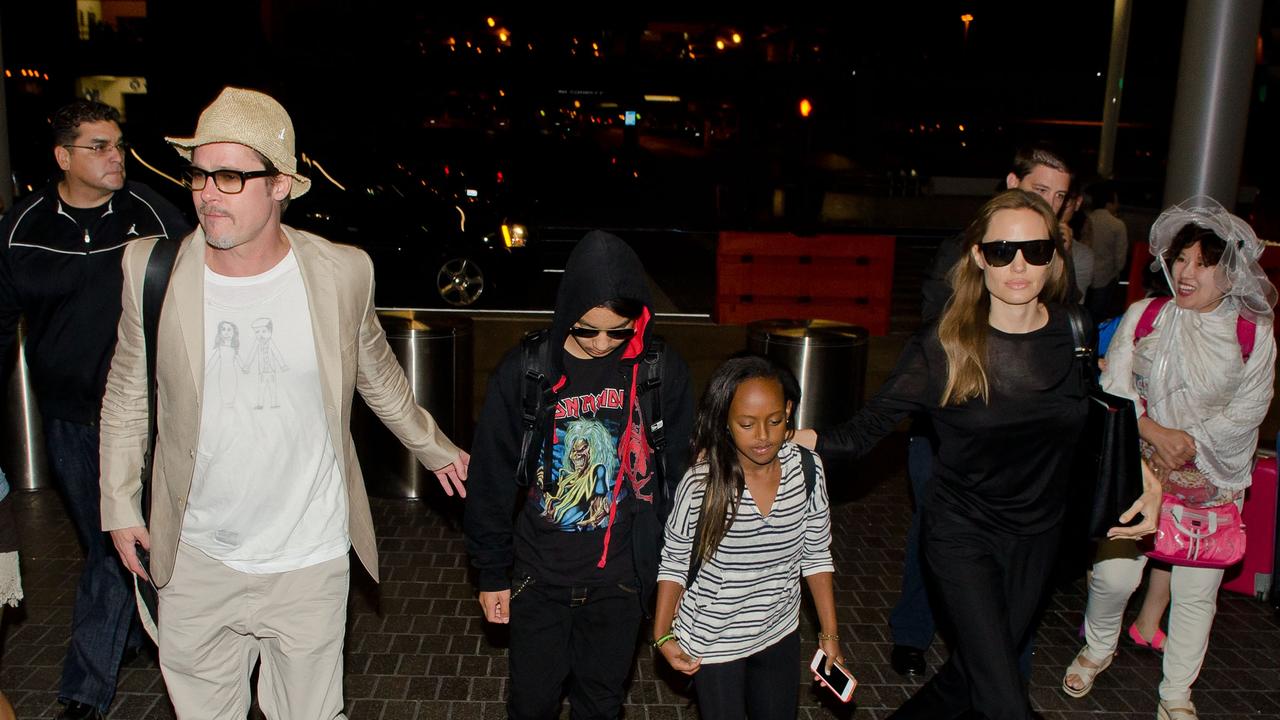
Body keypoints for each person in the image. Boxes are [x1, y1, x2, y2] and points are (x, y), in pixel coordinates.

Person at [99, 87, 469, 718]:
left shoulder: (341, 272)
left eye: (229, 176)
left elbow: (376, 371)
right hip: (196, 556)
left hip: (309, 557)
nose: (206, 192)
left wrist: (432, 447)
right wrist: (117, 501)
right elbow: (129, 390)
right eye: (198, 173)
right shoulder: (150, 270)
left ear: (281, 185)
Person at [796, 189, 1159, 719]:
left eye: (1035, 251)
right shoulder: (943, 345)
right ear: (977, 257)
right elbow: (865, 429)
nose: (1019, 265)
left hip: (1039, 539)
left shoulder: (1075, 330)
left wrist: (1145, 474)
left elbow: (1096, 419)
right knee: (1003, 697)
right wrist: (790, 441)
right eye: (1002, 250)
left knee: (973, 674)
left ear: (1054, 257)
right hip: (962, 535)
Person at [0, 99, 190, 720]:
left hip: (147, 417)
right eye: (100, 147)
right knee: (107, 543)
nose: (117, 157)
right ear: (63, 157)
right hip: (69, 418)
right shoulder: (23, 226)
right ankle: (134, 632)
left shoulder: (153, 215)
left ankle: (84, 693)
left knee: (118, 547)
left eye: (119, 144)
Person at [465, 230, 694, 719]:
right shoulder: (528, 370)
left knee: (601, 704)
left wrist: (677, 580)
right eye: (587, 329)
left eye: (619, 330)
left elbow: (681, 478)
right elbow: (490, 477)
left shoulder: (658, 372)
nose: (603, 343)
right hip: (539, 576)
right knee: (532, 704)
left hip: (622, 581)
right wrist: (490, 571)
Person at [1063, 198, 1276, 720]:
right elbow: (1112, 391)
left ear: (1231, 274)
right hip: (1136, 469)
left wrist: (1190, 444)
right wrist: (1153, 431)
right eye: (1181, 259)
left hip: (1210, 478)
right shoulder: (1146, 314)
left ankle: (1176, 694)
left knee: (1196, 593)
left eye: (1203, 264)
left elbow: (1250, 409)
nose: (1185, 272)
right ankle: (1097, 649)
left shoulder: (1253, 333)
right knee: (1114, 579)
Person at [897, 142, 1077, 678]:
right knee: (935, 535)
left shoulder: (1055, 258)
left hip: (1027, 450)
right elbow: (937, 337)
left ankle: (1004, 676)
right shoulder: (967, 250)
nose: (1052, 203)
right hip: (956, 432)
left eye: (1062, 197)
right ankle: (913, 633)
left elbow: (1070, 347)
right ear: (1011, 183)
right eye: (1040, 190)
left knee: (1011, 589)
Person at [653, 355, 841, 719]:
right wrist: (662, 634)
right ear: (725, 421)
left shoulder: (807, 469)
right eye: (746, 424)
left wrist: (829, 633)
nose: (762, 436)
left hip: (778, 631)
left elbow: (816, 554)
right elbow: (674, 558)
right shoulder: (701, 482)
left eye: (774, 421)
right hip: (714, 640)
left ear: (788, 411)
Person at [1083, 181, 1129, 321]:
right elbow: (1120, 256)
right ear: (1109, 203)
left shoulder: (1088, 219)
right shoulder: (1117, 224)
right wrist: (1117, 272)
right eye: (1115, 201)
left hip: (1085, 274)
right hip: (1106, 277)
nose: (1117, 205)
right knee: (1099, 316)